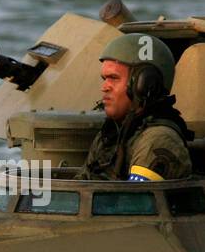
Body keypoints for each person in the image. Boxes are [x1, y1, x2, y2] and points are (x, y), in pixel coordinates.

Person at [78, 33, 192, 181]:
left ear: (143, 84)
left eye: (113, 78)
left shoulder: (157, 139)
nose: (104, 87)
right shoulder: (112, 133)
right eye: (104, 79)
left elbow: (137, 202)